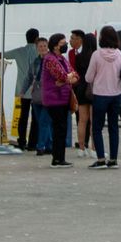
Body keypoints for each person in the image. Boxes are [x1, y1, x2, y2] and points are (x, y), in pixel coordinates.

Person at [85, 25, 121, 169]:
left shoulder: (96, 55)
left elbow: (89, 77)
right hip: (117, 94)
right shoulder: (120, 54)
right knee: (114, 127)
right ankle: (113, 159)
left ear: (101, 38)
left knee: (97, 127)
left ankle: (101, 158)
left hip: (100, 94)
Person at [41, 33, 75, 167]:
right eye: (63, 43)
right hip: (54, 99)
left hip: (63, 97)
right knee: (59, 128)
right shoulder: (50, 59)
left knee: (61, 128)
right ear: (55, 45)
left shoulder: (62, 59)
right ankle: (57, 159)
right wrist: (67, 78)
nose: (66, 45)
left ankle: (60, 157)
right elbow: (61, 75)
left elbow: (73, 75)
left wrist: (67, 78)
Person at [5, 28, 41, 150]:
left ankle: (21, 142)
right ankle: (32, 144)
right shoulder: (40, 52)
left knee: (23, 116)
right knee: (36, 118)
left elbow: (3, 54)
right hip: (37, 91)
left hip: (22, 91)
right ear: (37, 39)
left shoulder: (19, 51)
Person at [69, 30, 96, 158]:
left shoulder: (79, 57)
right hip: (93, 90)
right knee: (93, 121)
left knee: (82, 120)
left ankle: (81, 148)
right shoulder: (95, 56)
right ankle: (93, 148)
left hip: (81, 89)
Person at [29, 36, 51, 155]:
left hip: (48, 95)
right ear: (36, 48)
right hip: (36, 95)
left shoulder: (51, 60)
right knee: (41, 121)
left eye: (44, 46)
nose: (42, 48)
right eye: (40, 46)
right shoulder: (35, 61)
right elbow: (29, 77)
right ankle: (48, 144)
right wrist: (23, 91)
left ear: (48, 47)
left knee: (44, 121)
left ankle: (40, 146)